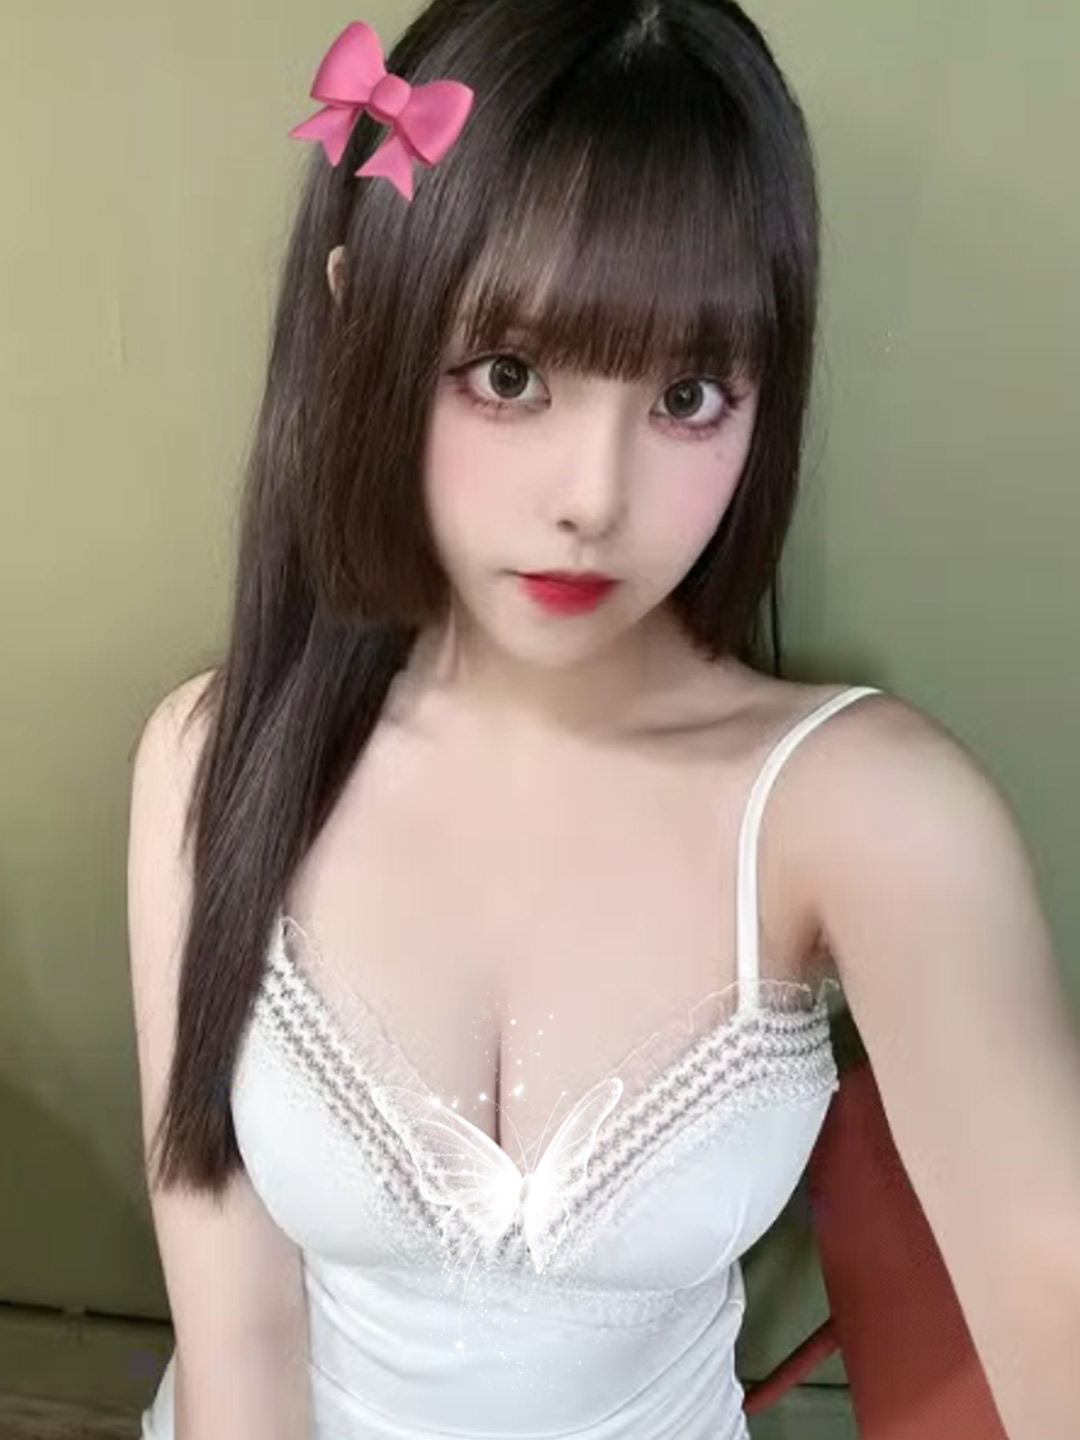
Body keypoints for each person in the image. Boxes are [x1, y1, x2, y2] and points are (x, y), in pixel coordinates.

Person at [126, 4, 1080, 1438]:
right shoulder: (217, 759)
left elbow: (1052, 1284)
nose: (596, 495)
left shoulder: (863, 812)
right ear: (358, 316)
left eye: (688, 396)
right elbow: (238, 1353)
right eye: (509, 375)